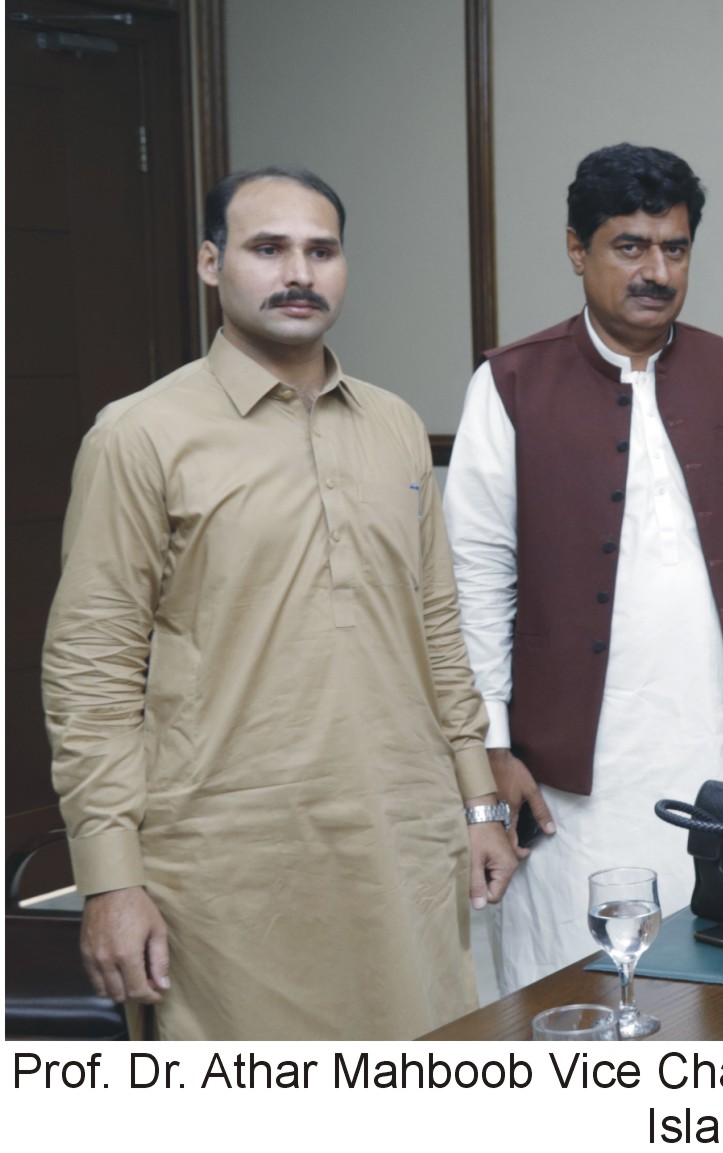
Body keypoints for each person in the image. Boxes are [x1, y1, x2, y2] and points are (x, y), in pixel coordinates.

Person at [43, 166, 516, 1039]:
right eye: (269, 249)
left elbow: (438, 632)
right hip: (227, 871)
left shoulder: (394, 425)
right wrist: (110, 877)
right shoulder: (139, 435)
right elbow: (90, 673)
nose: (299, 272)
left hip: (402, 844)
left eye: (320, 250)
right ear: (211, 264)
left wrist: (479, 804)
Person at [446, 143, 723, 995]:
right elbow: (475, 583)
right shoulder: (510, 382)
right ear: (577, 250)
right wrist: (491, 745)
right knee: (574, 985)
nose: (656, 270)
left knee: (721, 982)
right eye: (630, 246)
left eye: (674, 248)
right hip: (571, 774)